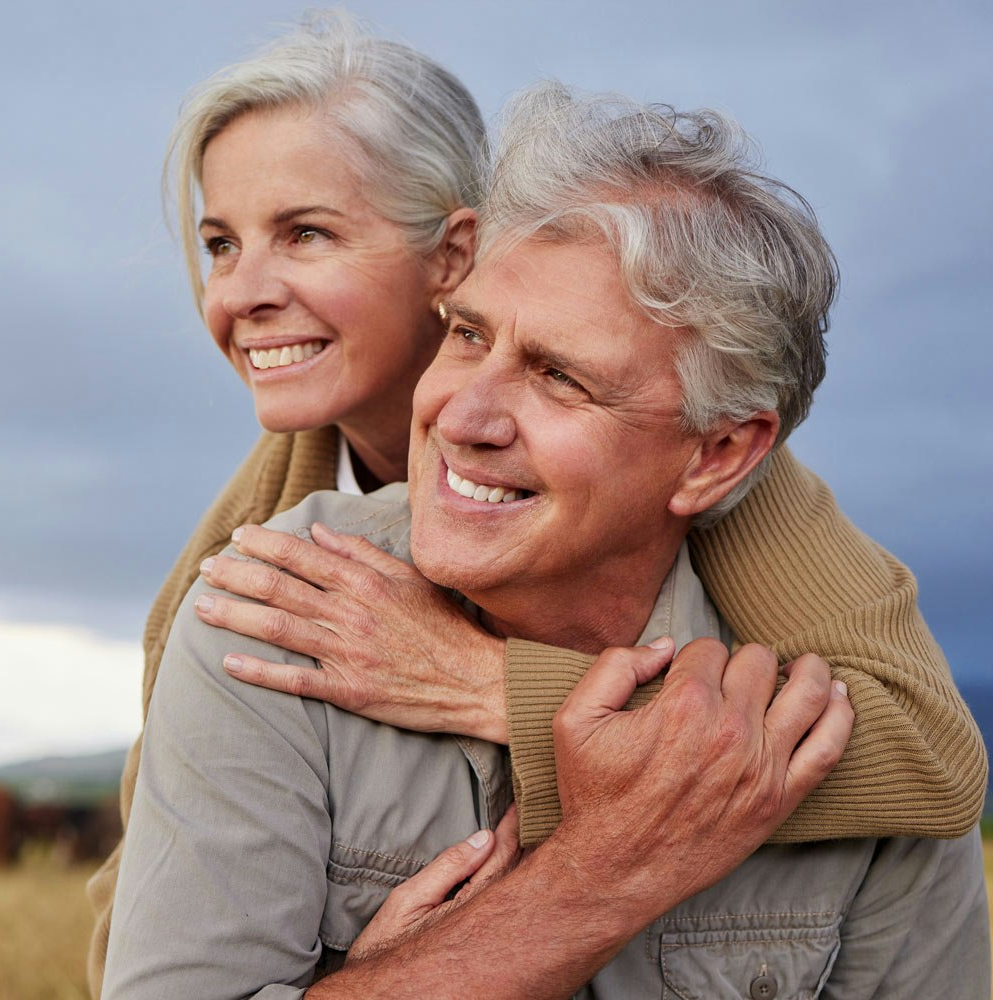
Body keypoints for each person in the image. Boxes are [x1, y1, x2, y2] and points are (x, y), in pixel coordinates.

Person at [101, 83, 988, 999]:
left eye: (561, 377)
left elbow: (934, 759)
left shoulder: (774, 537)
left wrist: (497, 692)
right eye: (468, 337)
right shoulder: (275, 584)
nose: (246, 293)